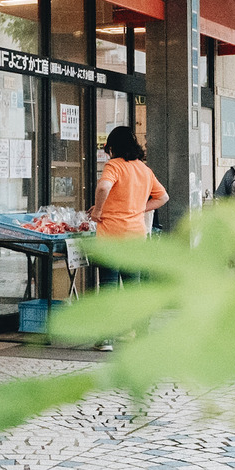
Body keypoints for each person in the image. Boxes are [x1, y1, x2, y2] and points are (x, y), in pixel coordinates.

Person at [87, 125, 169, 351]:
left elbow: (104, 187)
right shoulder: (144, 170)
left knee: (108, 289)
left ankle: (106, 338)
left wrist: (97, 212)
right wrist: (138, 209)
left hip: (111, 238)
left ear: (112, 147)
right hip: (135, 238)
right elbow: (163, 197)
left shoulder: (114, 165)